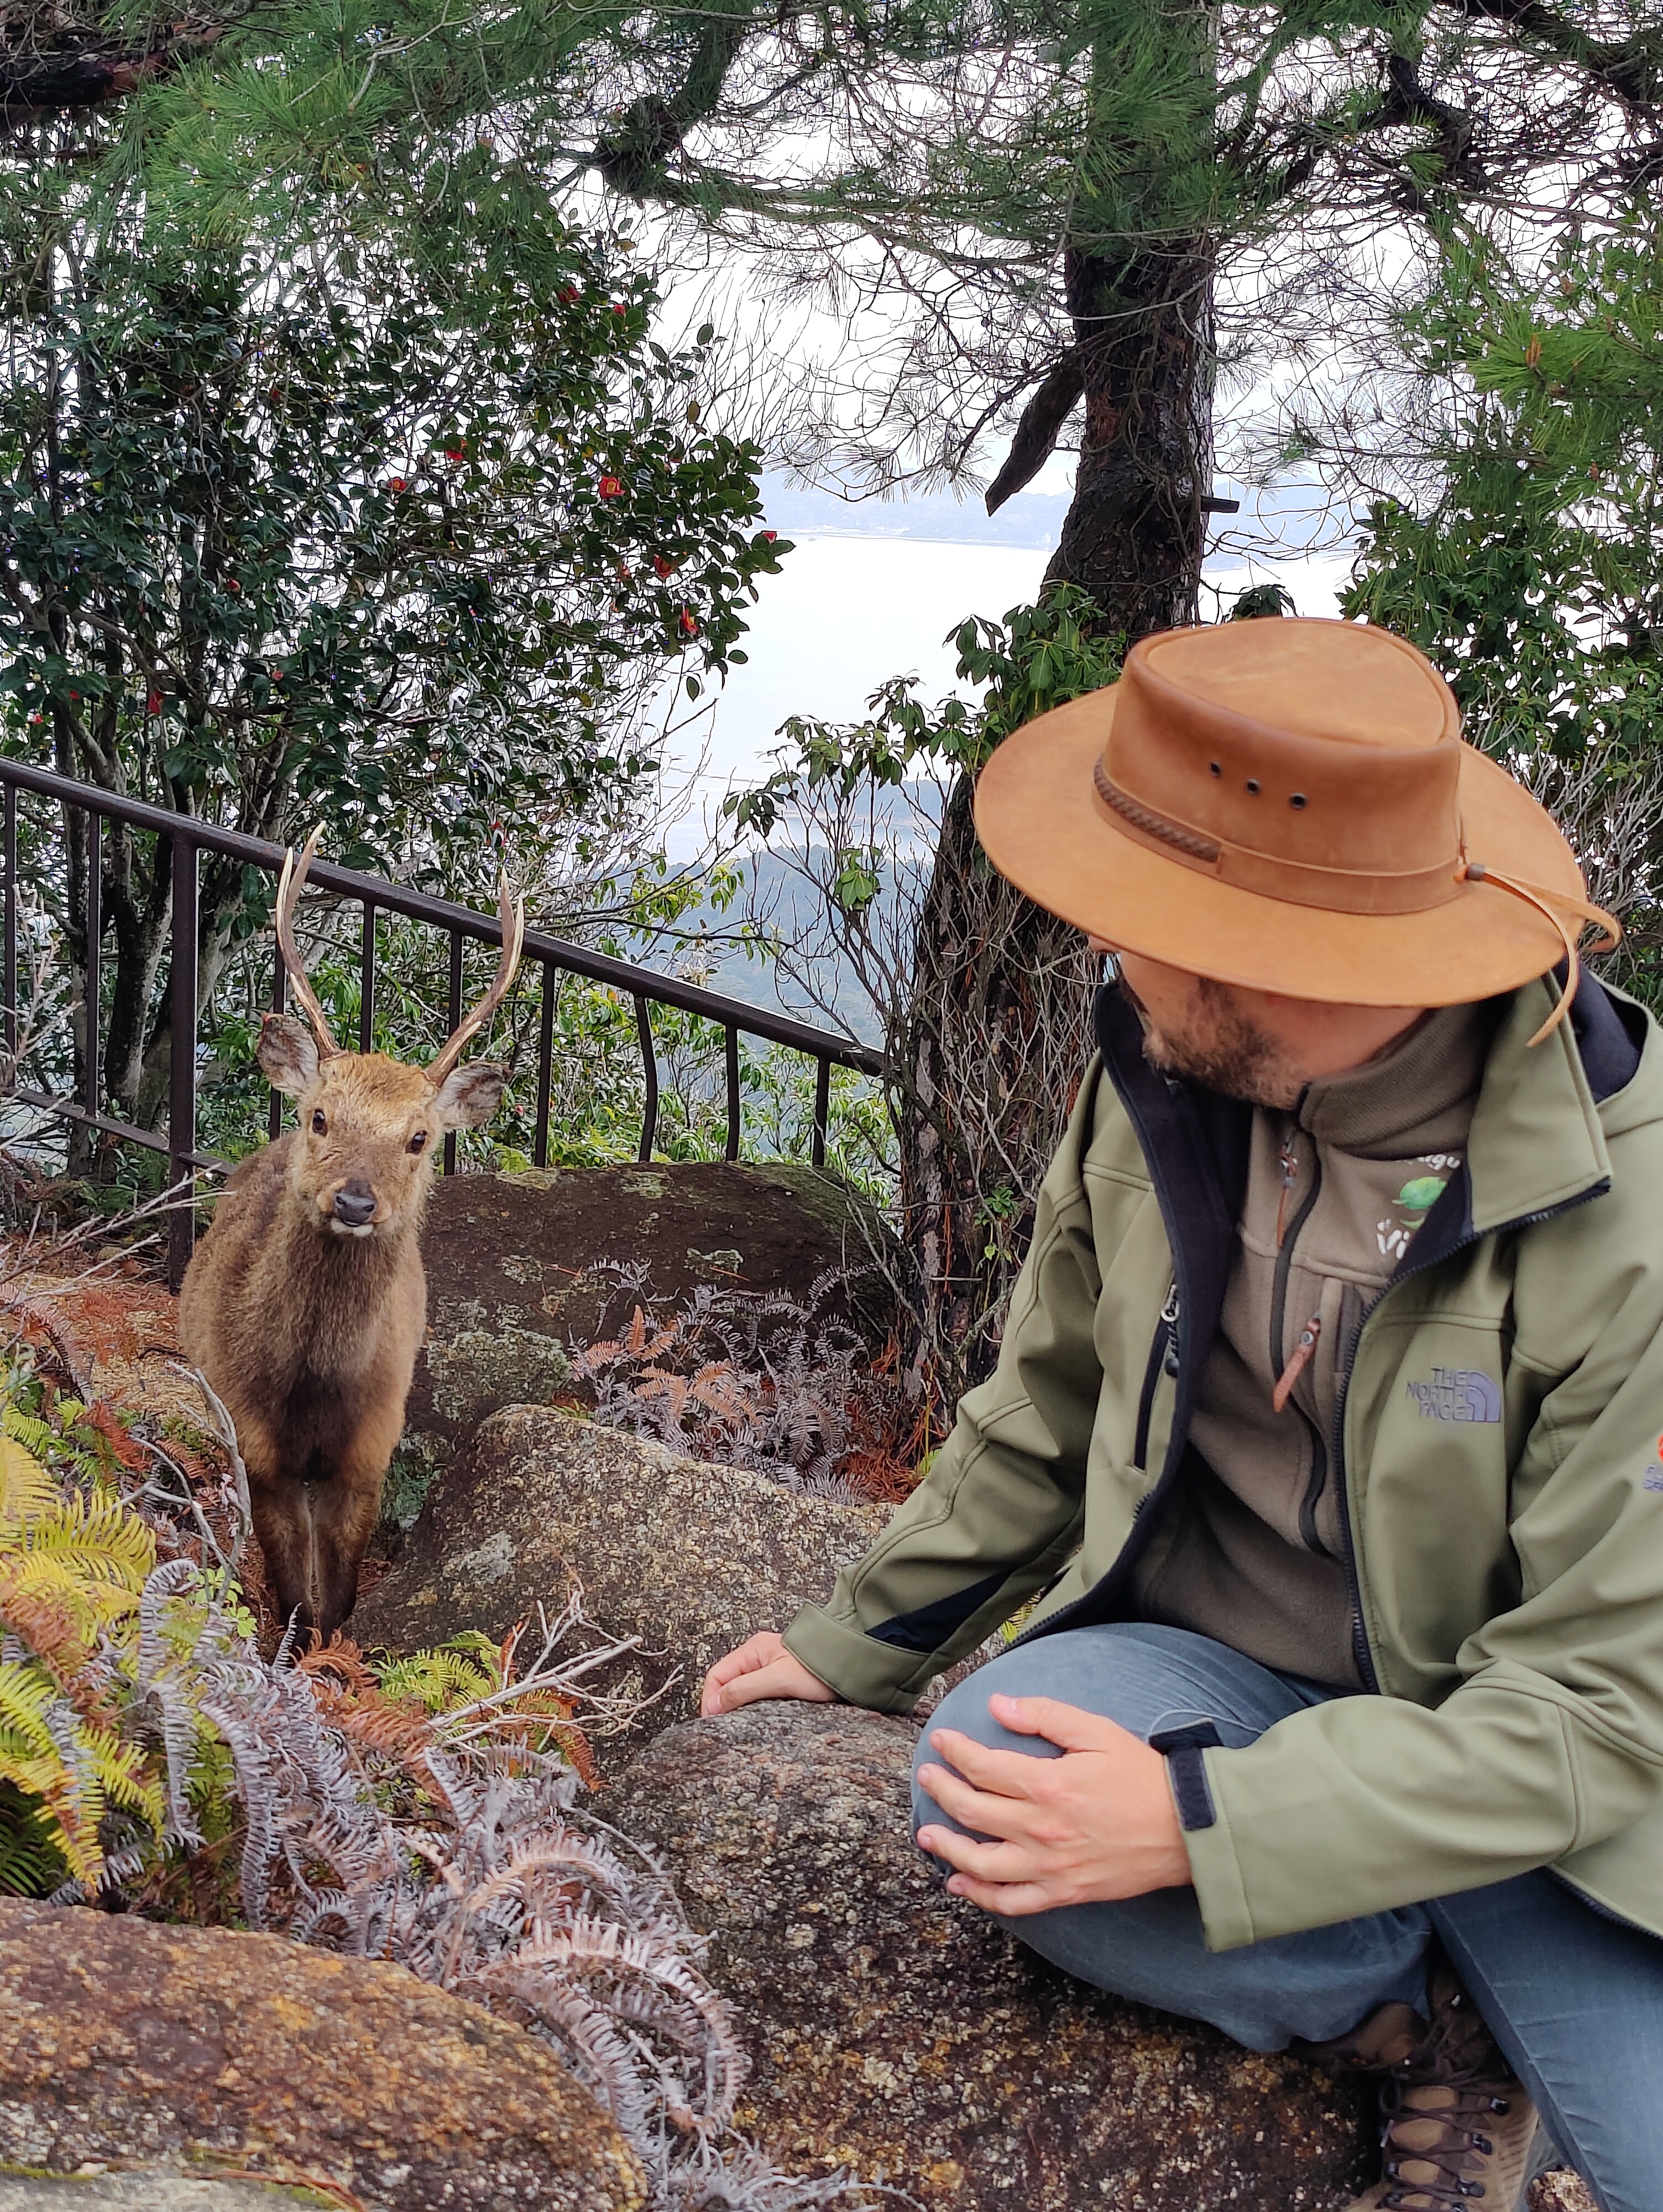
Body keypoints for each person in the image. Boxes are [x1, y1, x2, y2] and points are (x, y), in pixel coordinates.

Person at [699, 619, 1663, 2212]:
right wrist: (858, 1640)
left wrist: (1206, 1820)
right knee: (988, 1783)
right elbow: (1056, 1389)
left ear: (1269, 958)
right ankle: (1412, 2007)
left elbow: (1604, 1710)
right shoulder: (1164, 1075)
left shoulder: (1628, 1213)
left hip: (1548, 1792)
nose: (1106, 950)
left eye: (1140, 920)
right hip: (1233, 1672)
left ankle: (1474, 1983)